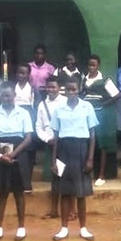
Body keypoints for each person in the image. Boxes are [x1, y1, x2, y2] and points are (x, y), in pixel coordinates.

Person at [51, 80, 99, 241]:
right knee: (64, 192)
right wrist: (53, 161)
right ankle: (64, 228)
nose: (71, 92)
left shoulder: (87, 107)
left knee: (81, 192)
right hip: (64, 150)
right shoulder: (58, 109)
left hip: (81, 149)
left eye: (74, 89)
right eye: (68, 89)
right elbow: (56, 137)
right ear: (64, 91)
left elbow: (92, 135)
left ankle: (83, 228)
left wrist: (90, 158)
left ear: (79, 90)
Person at [0, 82, 33, 241]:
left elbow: (28, 138)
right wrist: (0, 155)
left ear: (14, 95)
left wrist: (13, 154)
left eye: (9, 95)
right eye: (3, 95)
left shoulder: (23, 113)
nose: (6, 98)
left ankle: (21, 227)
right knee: (2, 192)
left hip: (18, 152)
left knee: (19, 192)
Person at [81, 55, 117, 187]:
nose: (91, 67)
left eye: (94, 65)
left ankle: (101, 175)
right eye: (89, 65)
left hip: (100, 114)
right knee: (86, 141)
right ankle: (86, 172)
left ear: (98, 66)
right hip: (85, 115)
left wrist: (103, 104)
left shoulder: (104, 80)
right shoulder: (84, 79)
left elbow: (116, 95)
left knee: (101, 144)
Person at [36, 76, 69, 219]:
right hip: (51, 144)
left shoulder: (66, 101)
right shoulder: (42, 105)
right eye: (48, 87)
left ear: (59, 88)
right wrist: (46, 139)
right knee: (54, 178)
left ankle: (71, 211)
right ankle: (54, 210)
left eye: (53, 87)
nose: (50, 90)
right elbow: (38, 126)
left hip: (65, 144)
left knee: (68, 177)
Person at [15, 63, 36, 194]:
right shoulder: (12, 87)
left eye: (24, 73)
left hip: (29, 116)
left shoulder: (33, 89)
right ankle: (17, 182)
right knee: (17, 148)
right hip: (15, 116)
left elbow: (35, 106)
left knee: (29, 151)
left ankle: (27, 183)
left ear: (28, 75)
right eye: (19, 73)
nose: (21, 75)